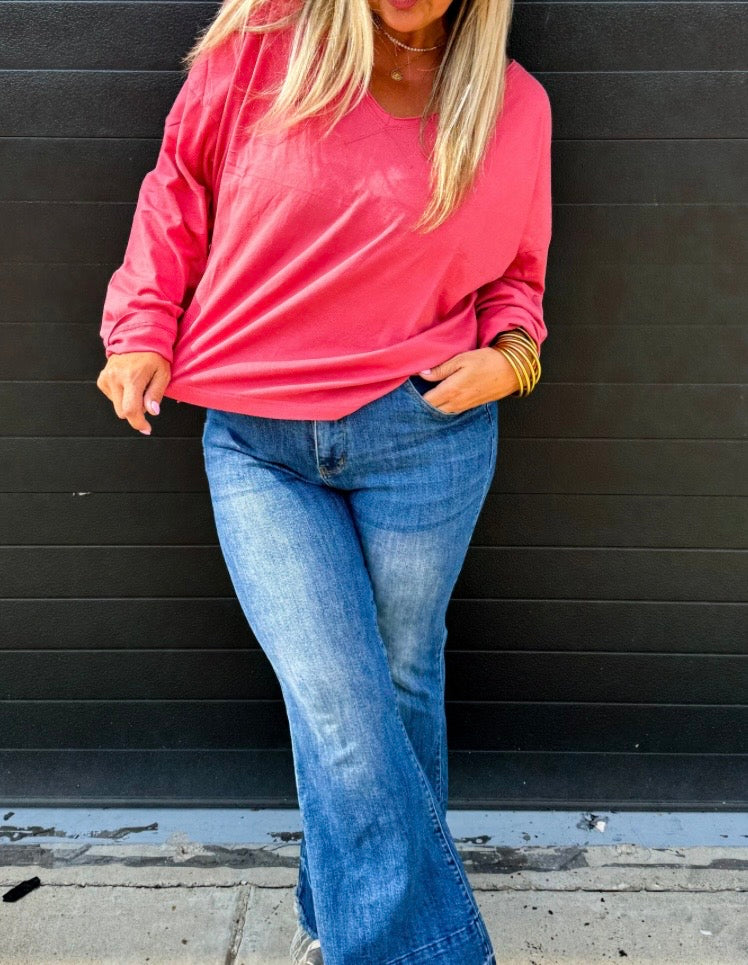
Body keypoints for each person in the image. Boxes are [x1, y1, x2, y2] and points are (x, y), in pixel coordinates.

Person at [96, 0, 552, 961]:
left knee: (398, 678)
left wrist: (513, 360)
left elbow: (516, 277)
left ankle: (336, 912)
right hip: (260, 441)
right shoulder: (257, 54)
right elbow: (177, 190)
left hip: (424, 435)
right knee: (341, 702)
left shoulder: (510, 105)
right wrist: (141, 327)